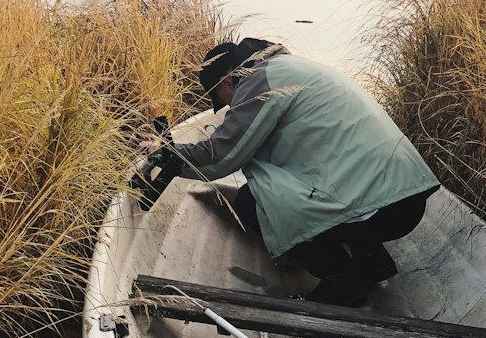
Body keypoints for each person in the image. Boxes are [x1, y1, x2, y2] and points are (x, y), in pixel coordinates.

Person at [167, 37, 439, 307]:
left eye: (223, 102)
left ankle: (343, 281)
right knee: (320, 176)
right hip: (408, 194)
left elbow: (221, 157)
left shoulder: (258, 81)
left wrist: (168, 154)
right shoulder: (289, 66)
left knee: (254, 200)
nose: (229, 109)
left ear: (227, 82)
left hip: (380, 208)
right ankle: (372, 262)